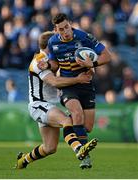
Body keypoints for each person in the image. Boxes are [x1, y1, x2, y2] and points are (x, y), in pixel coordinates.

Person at [15, 31, 98, 169]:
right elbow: (54, 82)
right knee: (67, 121)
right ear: (50, 44)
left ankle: (23, 161)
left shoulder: (53, 60)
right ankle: (79, 150)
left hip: (51, 106)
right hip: (39, 104)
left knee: (49, 148)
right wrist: (77, 79)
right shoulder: (39, 61)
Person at [40, 13, 111, 169]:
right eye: (61, 29)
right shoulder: (52, 42)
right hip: (68, 85)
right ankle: (85, 157)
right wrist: (47, 66)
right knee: (77, 113)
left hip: (86, 84)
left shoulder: (84, 37)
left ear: (70, 24)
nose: (65, 31)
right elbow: (54, 63)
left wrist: (92, 63)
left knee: (88, 127)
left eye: (67, 27)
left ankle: (68, 123)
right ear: (56, 29)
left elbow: (107, 56)